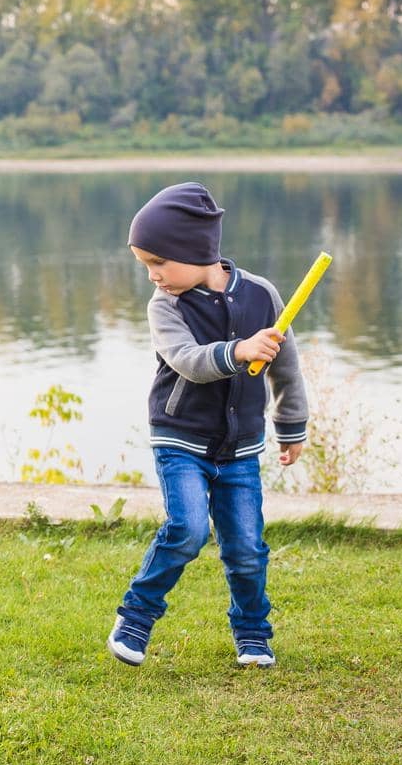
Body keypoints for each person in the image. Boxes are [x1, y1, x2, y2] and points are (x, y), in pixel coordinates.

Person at [107, 182, 308, 670]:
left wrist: (291, 425)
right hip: (180, 437)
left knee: (246, 548)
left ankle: (253, 635)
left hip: (240, 447)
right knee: (188, 529)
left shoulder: (262, 295)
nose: (153, 277)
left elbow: (286, 366)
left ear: (196, 251)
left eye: (158, 263)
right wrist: (239, 351)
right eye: (145, 266)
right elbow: (189, 362)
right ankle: (135, 618)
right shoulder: (167, 307)